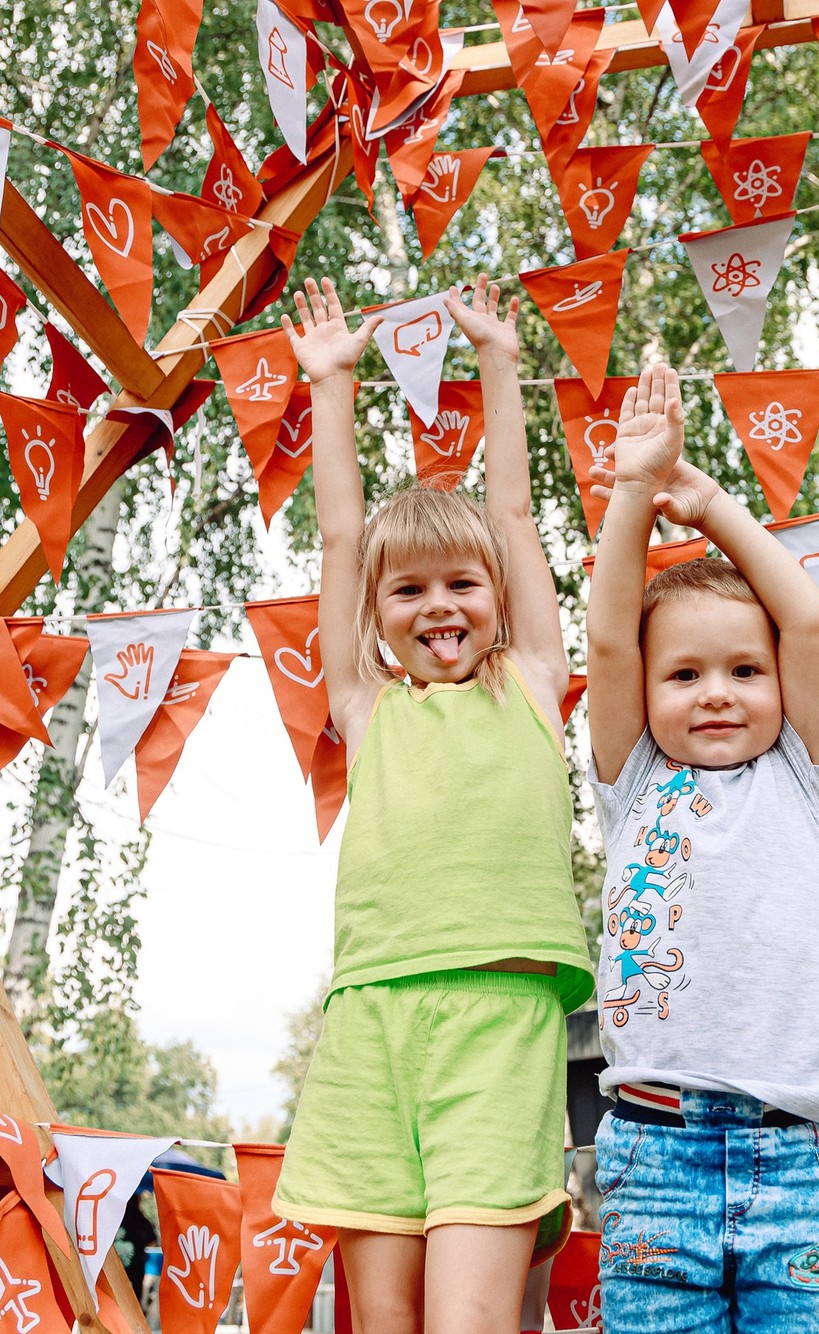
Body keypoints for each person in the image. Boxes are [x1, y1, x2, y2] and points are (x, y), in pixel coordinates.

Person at [271, 276, 594, 1333]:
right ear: (374, 615)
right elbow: (336, 538)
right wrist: (331, 386)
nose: (438, 605)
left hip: (499, 1019)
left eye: (460, 582)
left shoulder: (534, 680)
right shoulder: (364, 705)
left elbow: (508, 510)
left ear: (497, 594)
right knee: (384, 1317)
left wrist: (498, 361)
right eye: (405, 591)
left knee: (470, 1318)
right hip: (373, 1018)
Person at [583, 363, 819, 1331]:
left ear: (780, 686)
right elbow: (611, 640)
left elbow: (807, 617)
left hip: (800, 1159)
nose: (715, 691)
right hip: (653, 1159)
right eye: (686, 673)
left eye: (744, 670)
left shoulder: (802, 773)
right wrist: (633, 490)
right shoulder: (631, 784)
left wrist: (709, 507)